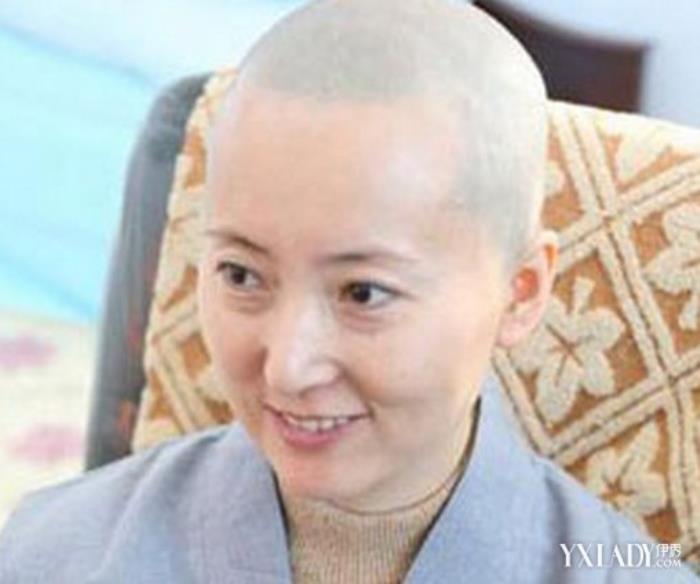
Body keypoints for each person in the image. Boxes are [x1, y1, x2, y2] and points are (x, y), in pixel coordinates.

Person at [1, 0, 698, 582]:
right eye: (242, 275)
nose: (288, 369)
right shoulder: (51, 552)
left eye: (363, 293)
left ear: (520, 293)